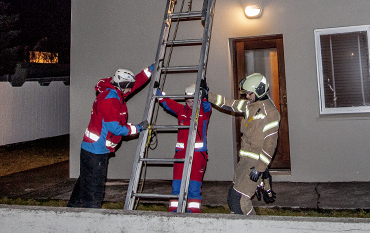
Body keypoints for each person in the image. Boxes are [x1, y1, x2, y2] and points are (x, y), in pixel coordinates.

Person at [67, 66, 152, 208]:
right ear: (123, 86)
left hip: (91, 149)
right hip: (96, 152)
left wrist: (152, 68)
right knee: (94, 190)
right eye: (129, 87)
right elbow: (116, 129)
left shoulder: (114, 92)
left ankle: (71, 210)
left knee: (85, 183)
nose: (131, 90)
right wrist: (138, 127)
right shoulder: (110, 100)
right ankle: (92, 218)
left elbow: (136, 82)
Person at [207, 73, 280, 215]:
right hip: (244, 163)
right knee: (233, 198)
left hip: (254, 164)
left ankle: (252, 232)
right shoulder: (250, 106)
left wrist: (259, 168)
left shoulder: (270, 113)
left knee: (239, 200)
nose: (247, 96)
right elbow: (229, 104)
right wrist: (207, 95)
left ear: (259, 91)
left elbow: (270, 145)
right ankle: (241, 232)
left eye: (249, 93)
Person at [157, 83, 212, 213]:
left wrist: (204, 92)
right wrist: (157, 92)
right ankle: (174, 215)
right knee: (176, 187)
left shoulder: (204, 111)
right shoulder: (182, 111)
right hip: (181, 155)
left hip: (198, 156)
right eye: (188, 101)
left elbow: (206, 103)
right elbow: (167, 102)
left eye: (194, 100)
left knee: (194, 189)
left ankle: (192, 216)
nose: (191, 103)